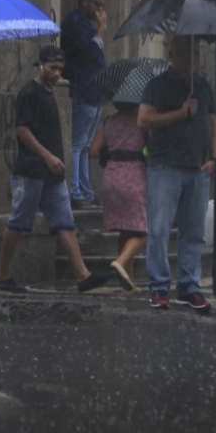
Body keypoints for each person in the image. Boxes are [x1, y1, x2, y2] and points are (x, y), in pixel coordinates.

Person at [0, 45, 114, 294]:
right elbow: (22, 130)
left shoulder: (48, 92)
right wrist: (47, 155)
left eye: (60, 68)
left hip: (53, 175)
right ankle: (1, 274)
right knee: (18, 222)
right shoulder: (30, 92)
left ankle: (83, 276)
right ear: (40, 65)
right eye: (53, 67)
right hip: (31, 171)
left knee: (64, 221)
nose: (57, 73)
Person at [138, 36, 216, 313]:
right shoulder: (158, 85)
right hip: (165, 168)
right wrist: (180, 113)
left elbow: (213, 124)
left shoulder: (203, 86)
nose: (189, 58)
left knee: (194, 233)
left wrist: (213, 158)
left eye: (194, 52)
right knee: (160, 230)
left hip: (197, 170)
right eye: (183, 52)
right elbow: (144, 120)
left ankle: (189, 286)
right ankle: (159, 287)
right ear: (172, 54)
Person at [89, 101, 147, 292]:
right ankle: (120, 262)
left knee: (125, 231)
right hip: (133, 177)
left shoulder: (108, 122)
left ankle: (128, 282)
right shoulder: (141, 121)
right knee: (144, 231)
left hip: (111, 177)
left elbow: (93, 151)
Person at [60, 0, 108, 210]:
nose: (100, 9)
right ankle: (76, 192)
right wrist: (101, 31)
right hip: (83, 89)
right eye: (97, 4)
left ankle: (86, 192)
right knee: (78, 144)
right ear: (85, 2)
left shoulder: (86, 25)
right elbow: (88, 53)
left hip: (94, 92)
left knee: (86, 145)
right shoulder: (75, 23)